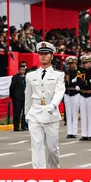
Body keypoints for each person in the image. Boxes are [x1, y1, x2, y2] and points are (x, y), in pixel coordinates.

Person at [25, 41, 65, 169]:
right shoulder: (30, 75)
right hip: (35, 113)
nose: (43, 56)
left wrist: (53, 105)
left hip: (51, 114)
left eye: (46, 54)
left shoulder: (58, 75)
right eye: (41, 54)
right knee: (36, 146)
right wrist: (27, 114)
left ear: (52, 56)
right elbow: (28, 96)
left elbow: (59, 91)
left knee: (52, 149)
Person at [78, 55, 91, 141]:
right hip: (82, 94)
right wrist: (88, 82)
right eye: (84, 63)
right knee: (83, 115)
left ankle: (90, 134)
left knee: (90, 115)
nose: (85, 64)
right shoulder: (80, 71)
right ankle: (84, 134)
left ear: (90, 63)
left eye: (87, 63)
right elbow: (79, 82)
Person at [63, 56, 81, 138]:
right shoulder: (66, 72)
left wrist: (78, 85)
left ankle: (74, 132)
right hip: (67, 93)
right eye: (69, 64)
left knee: (74, 113)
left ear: (75, 63)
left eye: (72, 63)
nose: (71, 65)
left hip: (75, 93)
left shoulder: (78, 72)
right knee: (68, 113)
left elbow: (81, 81)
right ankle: (69, 132)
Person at [9, 62, 28, 131]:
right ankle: (16, 127)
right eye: (21, 69)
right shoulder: (15, 77)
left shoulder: (26, 78)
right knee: (17, 113)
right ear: (18, 70)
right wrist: (13, 97)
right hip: (17, 98)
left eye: (23, 70)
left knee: (25, 112)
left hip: (25, 97)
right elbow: (11, 88)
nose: (22, 71)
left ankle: (24, 126)